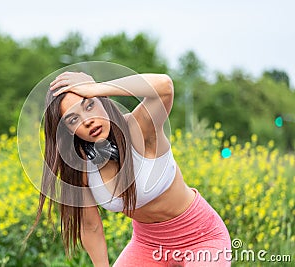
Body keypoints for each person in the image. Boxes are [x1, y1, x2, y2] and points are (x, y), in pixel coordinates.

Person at [27, 71, 231, 266]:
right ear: (67, 131)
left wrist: (97, 87)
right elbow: (90, 226)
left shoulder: (139, 128)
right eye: (73, 119)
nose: (87, 121)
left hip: (201, 237)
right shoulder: (81, 166)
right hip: (147, 245)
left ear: (102, 100)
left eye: (89, 105)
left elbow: (164, 86)